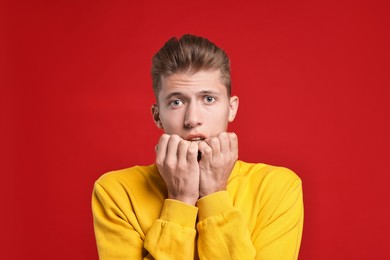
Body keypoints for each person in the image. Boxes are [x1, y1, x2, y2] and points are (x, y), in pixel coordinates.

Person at [92, 34, 304, 259]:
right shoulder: (116, 191)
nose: (192, 119)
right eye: (176, 102)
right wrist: (180, 198)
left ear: (231, 109)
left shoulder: (277, 187)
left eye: (208, 99)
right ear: (158, 116)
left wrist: (213, 194)